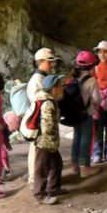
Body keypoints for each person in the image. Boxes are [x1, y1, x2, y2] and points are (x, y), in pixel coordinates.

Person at [65, 50, 101, 177]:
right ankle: (85, 166)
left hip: (74, 113)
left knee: (77, 137)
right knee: (86, 139)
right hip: (86, 113)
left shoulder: (72, 78)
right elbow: (97, 99)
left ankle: (75, 165)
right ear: (92, 65)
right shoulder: (92, 81)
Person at [26, 48, 59, 184]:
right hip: (40, 123)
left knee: (44, 155)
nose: (52, 65)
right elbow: (39, 103)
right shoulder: (37, 80)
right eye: (49, 61)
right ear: (39, 62)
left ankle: (41, 179)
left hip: (43, 122)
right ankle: (35, 180)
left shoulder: (43, 78)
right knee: (38, 153)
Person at [33, 74, 65, 205]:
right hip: (45, 142)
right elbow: (47, 123)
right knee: (41, 168)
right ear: (53, 88)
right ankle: (40, 194)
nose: (62, 88)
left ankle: (53, 188)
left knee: (56, 164)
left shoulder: (49, 100)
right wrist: (50, 137)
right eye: (59, 86)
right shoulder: (47, 103)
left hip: (50, 142)